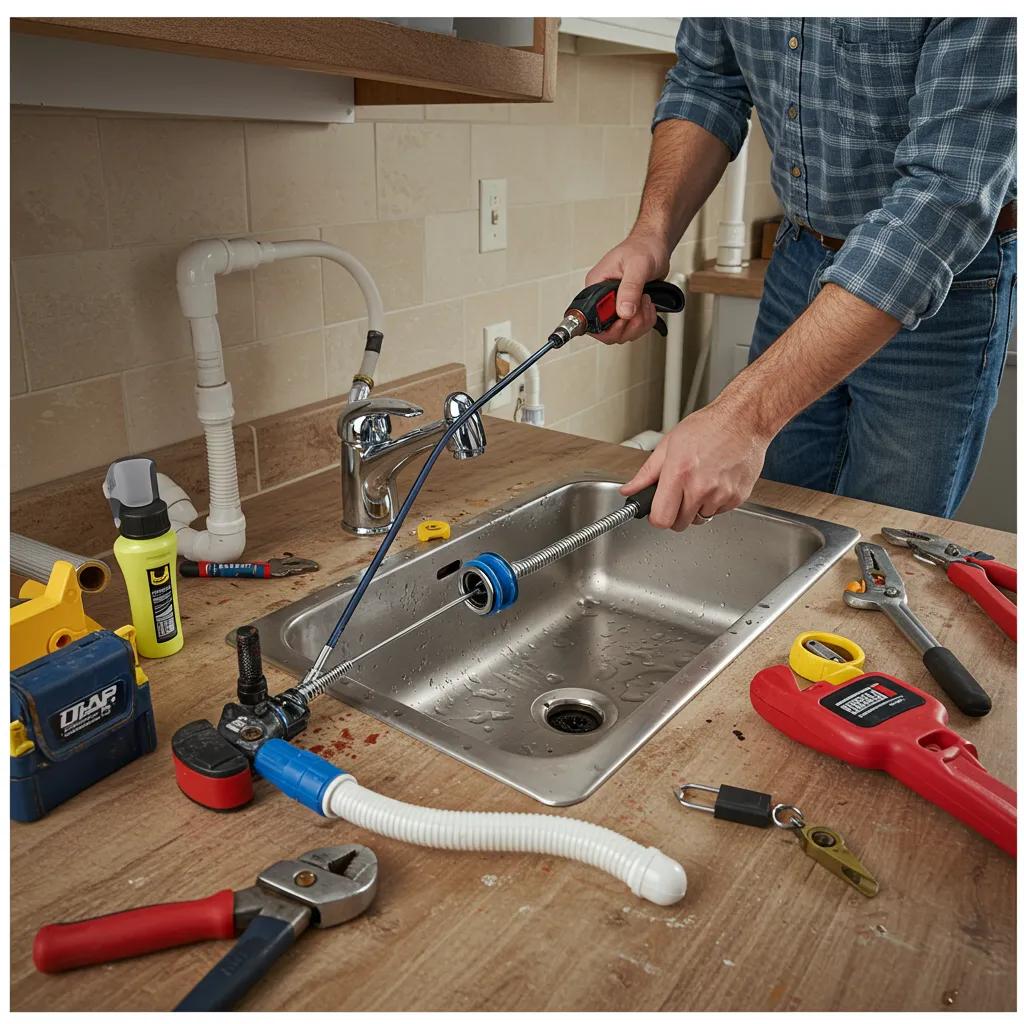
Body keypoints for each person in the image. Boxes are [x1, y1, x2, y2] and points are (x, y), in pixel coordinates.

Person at [588, 18, 1016, 530]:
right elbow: (706, 82)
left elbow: (948, 194)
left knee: (885, 536)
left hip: (940, 272)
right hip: (802, 254)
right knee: (773, 520)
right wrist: (652, 231)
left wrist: (742, 419)